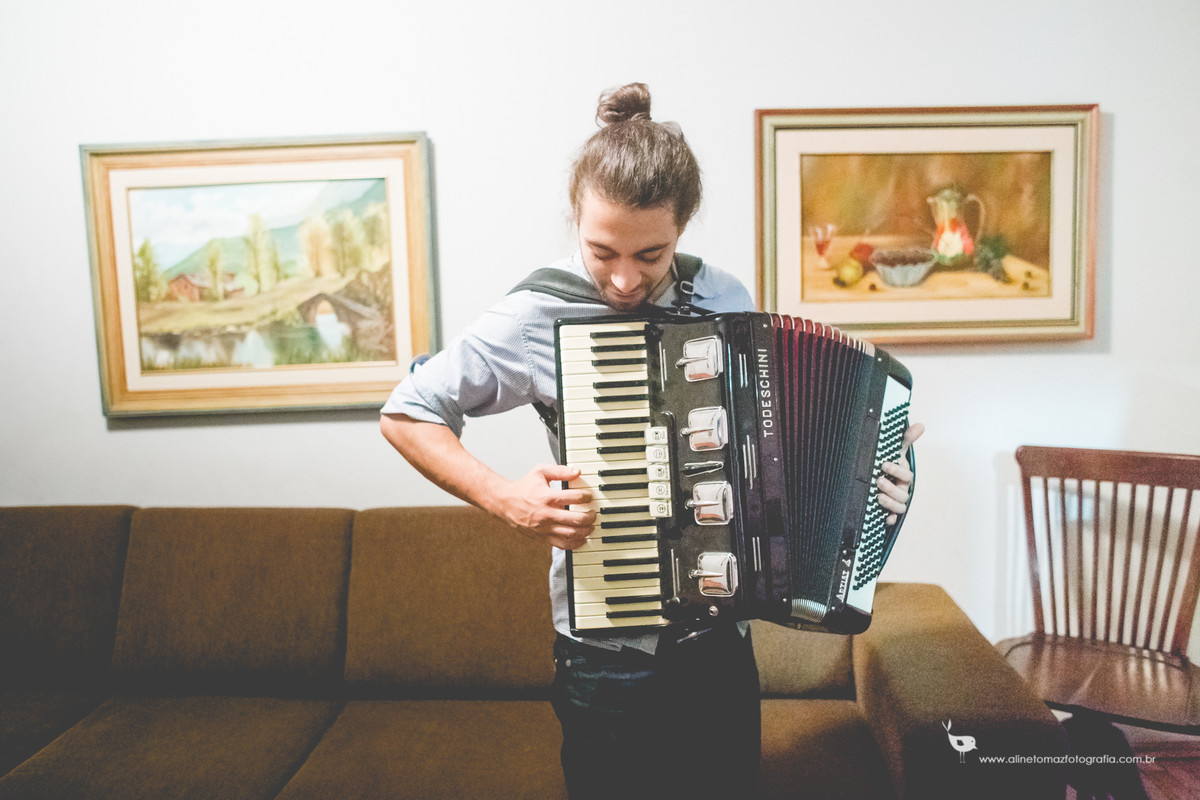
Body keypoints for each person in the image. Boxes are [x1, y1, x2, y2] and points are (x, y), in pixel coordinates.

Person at [380, 82, 921, 800]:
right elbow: (408, 411)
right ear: (575, 219)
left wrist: (869, 489)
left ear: (683, 226)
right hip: (607, 660)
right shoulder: (538, 314)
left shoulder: (724, 297)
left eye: (652, 253)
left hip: (721, 648)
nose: (625, 278)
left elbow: (768, 464)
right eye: (602, 251)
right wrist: (508, 499)